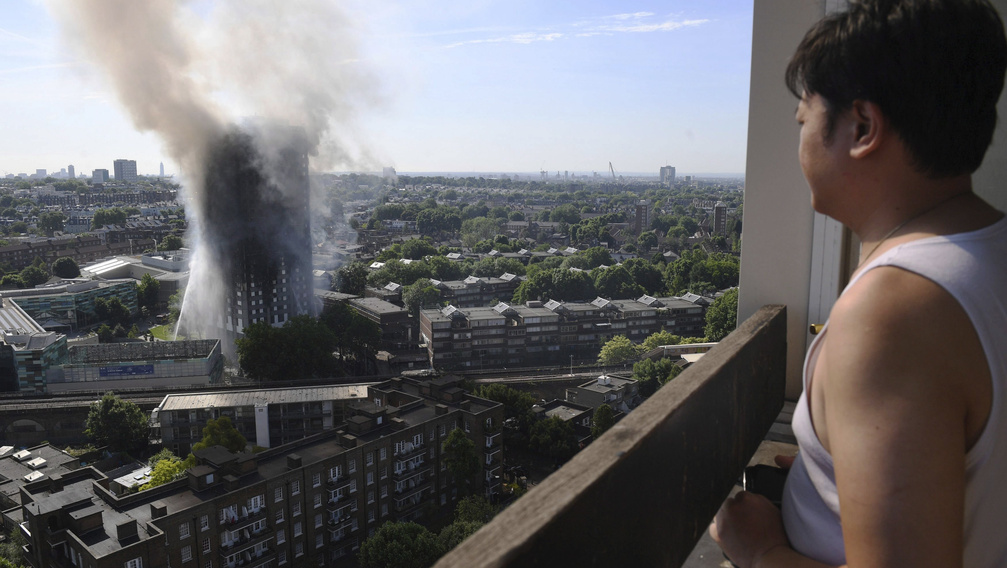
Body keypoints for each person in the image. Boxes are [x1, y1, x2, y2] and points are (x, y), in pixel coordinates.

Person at [710, 0, 1007, 566]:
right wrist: (839, 478)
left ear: (862, 128)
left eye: (804, 122)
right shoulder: (987, 257)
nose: (799, 143)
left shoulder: (894, 313)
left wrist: (763, 550)